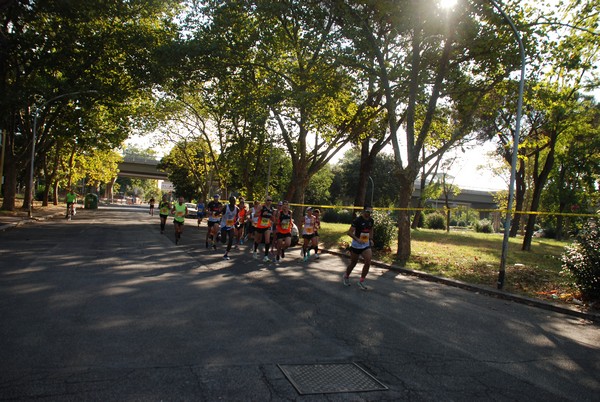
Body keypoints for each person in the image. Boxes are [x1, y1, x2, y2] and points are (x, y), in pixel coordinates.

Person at [343, 206, 375, 290]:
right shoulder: (357, 220)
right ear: (363, 211)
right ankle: (346, 276)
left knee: (368, 261)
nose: (369, 214)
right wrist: (357, 239)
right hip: (356, 245)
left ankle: (361, 281)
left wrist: (371, 239)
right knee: (353, 263)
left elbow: (371, 230)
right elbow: (349, 233)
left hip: (365, 244)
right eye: (368, 212)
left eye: (371, 212)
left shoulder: (371, 221)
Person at [253, 196, 275, 262]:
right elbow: (255, 215)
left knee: (267, 241)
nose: (269, 201)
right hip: (260, 226)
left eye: (270, 200)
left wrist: (272, 219)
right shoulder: (261, 206)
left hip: (267, 226)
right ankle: (254, 251)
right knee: (258, 240)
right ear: (265, 201)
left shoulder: (271, 208)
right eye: (268, 200)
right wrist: (261, 214)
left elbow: (272, 218)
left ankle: (266, 256)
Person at [220, 196, 239, 260]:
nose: (233, 202)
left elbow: (237, 217)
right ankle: (218, 236)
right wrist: (217, 213)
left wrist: (237, 222)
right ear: (230, 201)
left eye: (234, 201)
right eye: (232, 201)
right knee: (223, 241)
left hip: (230, 225)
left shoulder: (237, 209)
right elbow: (220, 212)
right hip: (224, 225)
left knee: (231, 239)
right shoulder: (226, 207)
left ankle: (226, 254)